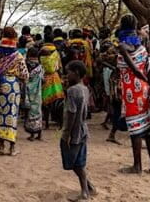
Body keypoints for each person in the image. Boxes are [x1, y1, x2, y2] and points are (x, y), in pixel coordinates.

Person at [116, 15, 150, 174]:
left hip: (132, 92)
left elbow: (135, 69)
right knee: (149, 129)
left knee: (135, 130)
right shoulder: (142, 48)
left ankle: (137, 166)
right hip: (146, 91)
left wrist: (141, 79)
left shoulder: (122, 46)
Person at [0, 27, 29, 156]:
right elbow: (25, 75)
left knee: (1, 115)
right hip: (12, 87)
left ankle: (1, 146)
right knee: (12, 116)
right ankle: (12, 148)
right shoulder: (17, 55)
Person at [61, 60, 96, 201]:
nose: (66, 76)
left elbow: (71, 113)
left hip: (74, 132)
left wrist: (67, 133)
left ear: (76, 73)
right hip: (83, 130)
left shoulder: (72, 91)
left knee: (74, 163)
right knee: (79, 161)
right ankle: (89, 187)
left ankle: (85, 191)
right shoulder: (85, 88)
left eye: (68, 73)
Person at [40, 42, 65, 130]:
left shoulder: (42, 57)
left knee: (45, 104)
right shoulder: (56, 54)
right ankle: (61, 124)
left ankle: (47, 124)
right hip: (56, 79)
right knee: (59, 102)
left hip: (46, 79)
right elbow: (60, 67)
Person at [24, 47, 43, 140]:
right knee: (38, 111)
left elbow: (25, 76)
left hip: (29, 91)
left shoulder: (27, 64)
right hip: (38, 92)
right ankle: (39, 133)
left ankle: (32, 134)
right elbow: (42, 78)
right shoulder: (40, 66)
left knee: (30, 112)